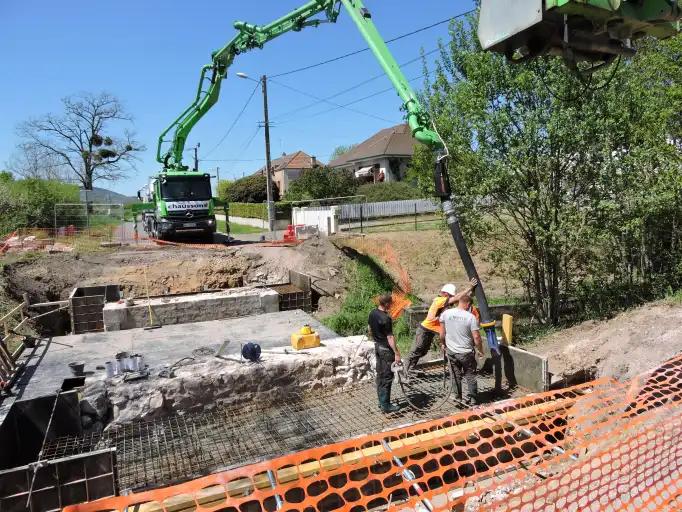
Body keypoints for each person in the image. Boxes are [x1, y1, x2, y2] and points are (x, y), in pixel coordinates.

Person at [404, 279, 477, 374]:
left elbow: (462, 300)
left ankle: (410, 369)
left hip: (432, 330)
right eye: (451, 295)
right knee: (416, 350)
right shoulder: (440, 300)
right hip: (425, 330)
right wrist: (469, 287)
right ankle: (405, 372)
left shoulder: (445, 302)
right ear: (445, 294)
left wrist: (472, 292)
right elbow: (457, 297)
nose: (452, 297)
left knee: (422, 351)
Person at [439, 293, 484, 406]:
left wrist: (443, 344)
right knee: (470, 376)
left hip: (451, 352)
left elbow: (442, 333)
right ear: (468, 304)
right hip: (466, 353)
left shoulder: (446, 314)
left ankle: (458, 398)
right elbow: (477, 337)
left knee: (455, 375)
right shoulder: (470, 317)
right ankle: (473, 400)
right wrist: (480, 350)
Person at [368, 293, 402, 413]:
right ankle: (386, 405)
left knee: (380, 374)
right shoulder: (385, 318)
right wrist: (396, 353)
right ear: (386, 303)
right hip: (386, 350)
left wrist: (377, 339)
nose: (391, 305)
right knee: (387, 376)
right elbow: (390, 338)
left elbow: (369, 329)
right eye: (391, 303)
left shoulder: (372, 313)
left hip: (377, 347)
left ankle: (381, 402)